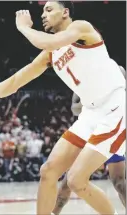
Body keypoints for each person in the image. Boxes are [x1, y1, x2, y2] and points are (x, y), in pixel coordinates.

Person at [0, 1, 125, 214]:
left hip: (114, 106)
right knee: (48, 171)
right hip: (90, 113)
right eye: (43, 10)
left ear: (65, 12)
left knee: (76, 180)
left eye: (49, 9)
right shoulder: (51, 53)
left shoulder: (81, 28)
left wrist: (24, 27)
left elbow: (51, 41)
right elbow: (16, 80)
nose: (43, 14)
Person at [52, 66, 126, 214]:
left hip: (111, 129)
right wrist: (89, 104)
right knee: (68, 182)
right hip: (88, 132)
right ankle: (54, 212)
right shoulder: (83, 77)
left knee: (119, 182)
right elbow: (74, 108)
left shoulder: (118, 70)